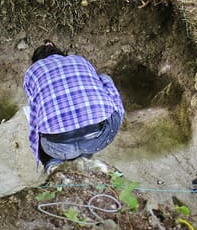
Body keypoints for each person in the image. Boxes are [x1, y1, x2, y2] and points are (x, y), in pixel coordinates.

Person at [23, 41, 124, 171]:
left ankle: (53, 165)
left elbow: (34, 117)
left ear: (36, 61)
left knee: (40, 130)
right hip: (100, 136)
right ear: (60, 53)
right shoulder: (79, 60)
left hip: (57, 147)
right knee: (104, 78)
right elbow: (100, 81)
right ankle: (83, 159)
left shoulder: (31, 73)